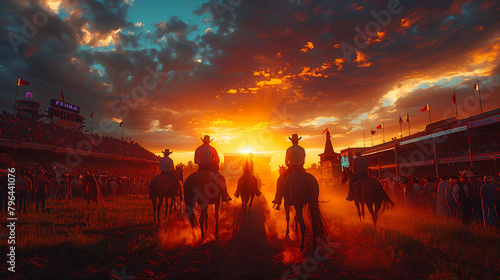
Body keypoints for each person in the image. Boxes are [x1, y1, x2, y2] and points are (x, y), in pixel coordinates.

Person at [194, 135, 231, 202]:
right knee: (221, 179)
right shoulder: (212, 149)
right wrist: (212, 162)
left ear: (203, 141)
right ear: (209, 141)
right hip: (210, 168)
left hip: (201, 168)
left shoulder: (198, 149)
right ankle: (224, 196)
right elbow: (217, 160)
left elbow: (195, 161)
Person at [273, 134, 306, 208]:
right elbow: (303, 160)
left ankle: (278, 199)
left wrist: (289, 165)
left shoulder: (289, 149)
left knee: (280, 180)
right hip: (301, 168)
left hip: (292, 168)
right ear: (298, 141)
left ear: (292, 141)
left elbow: (286, 162)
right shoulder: (302, 149)